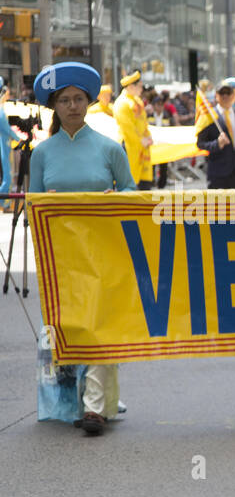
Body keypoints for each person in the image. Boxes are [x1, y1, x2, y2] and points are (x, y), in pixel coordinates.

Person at [29, 62, 137, 437]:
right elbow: (32, 208)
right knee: (67, 326)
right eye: (64, 100)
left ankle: (95, 407)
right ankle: (71, 401)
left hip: (103, 251)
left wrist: (113, 198)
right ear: (54, 106)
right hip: (59, 253)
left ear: (89, 102)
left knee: (100, 324)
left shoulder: (110, 148)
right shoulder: (42, 154)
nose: (72, 105)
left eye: (78, 99)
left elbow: (131, 193)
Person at [197, 78, 235, 188]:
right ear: (216, 95)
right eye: (222, 93)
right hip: (218, 174)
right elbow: (200, 143)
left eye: (228, 92)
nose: (225, 96)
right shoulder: (209, 117)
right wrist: (217, 143)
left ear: (233, 95)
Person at [113, 69, 153, 188]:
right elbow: (127, 127)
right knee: (129, 183)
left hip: (141, 147)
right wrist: (142, 140)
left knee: (144, 184)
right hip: (129, 147)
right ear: (130, 86)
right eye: (139, 86)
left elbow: (144, 123)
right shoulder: (121, 103)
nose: (142, 89)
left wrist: (148, 136)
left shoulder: (138, 101)